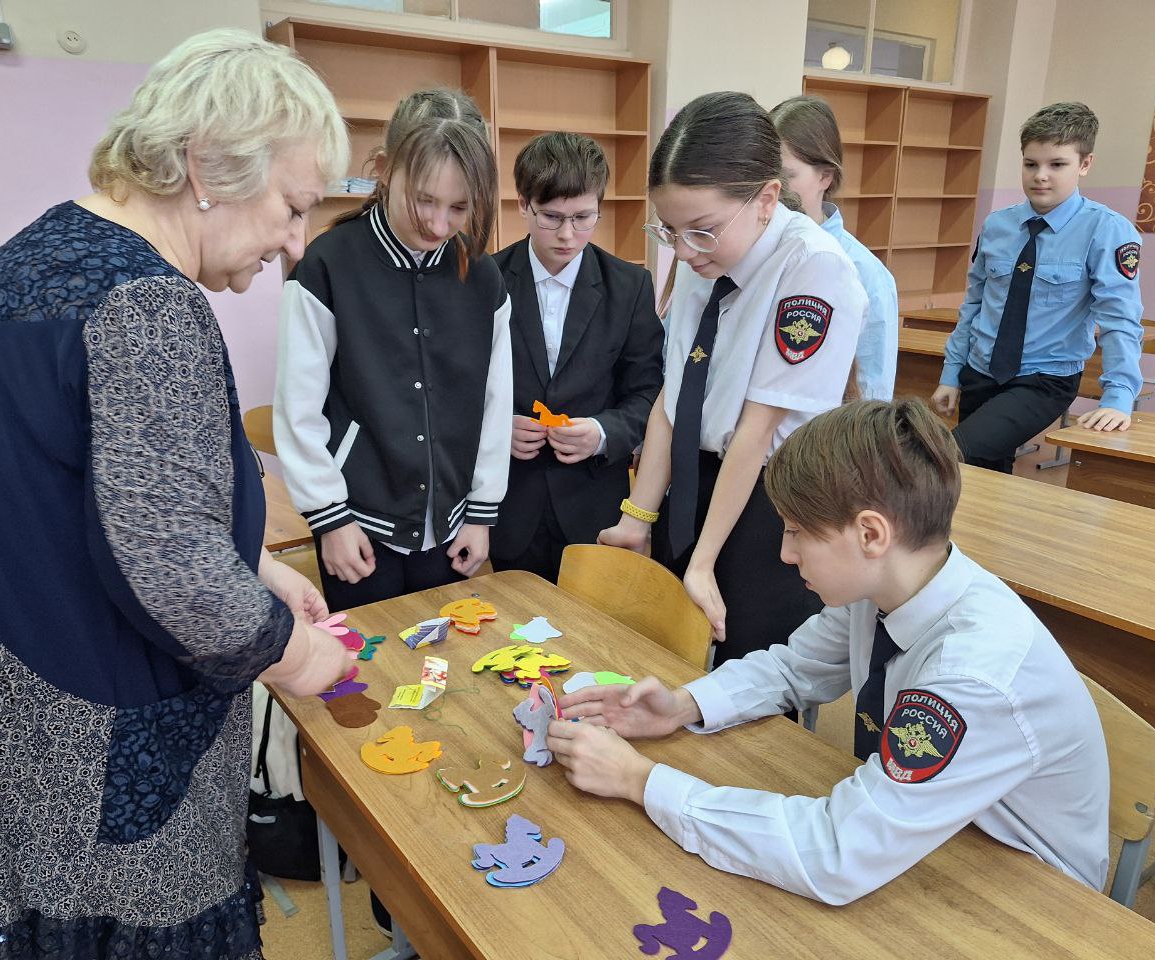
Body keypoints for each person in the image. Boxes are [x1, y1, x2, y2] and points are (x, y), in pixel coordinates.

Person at [0, 29, 357, 958]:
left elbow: (75, 511)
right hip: (91, 786)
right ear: (206, 165)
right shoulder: (147, 302)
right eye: (292, 207)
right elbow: (174, 572)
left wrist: (253, 566)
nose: (295, 243)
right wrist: (295, 653)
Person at [549, 399, 1110, 905]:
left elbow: (836, 852)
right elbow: (793, 668)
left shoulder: (972, 676)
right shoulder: (888, 587)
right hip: (930, 836)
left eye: (797, 531)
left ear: (871, 534)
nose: (785, 553)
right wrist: (681, 706)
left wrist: (641, 781)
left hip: (1028, 897)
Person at [598, 91, 866, 664]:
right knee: (668, 656)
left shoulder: (813, 267)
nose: (683, 250)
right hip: (694, 481)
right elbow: (675, 394)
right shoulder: (707, 253)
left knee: (749, 665)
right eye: (669, 230)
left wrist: (702, 561)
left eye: (701, 230)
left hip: (772, 501)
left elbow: (757, 429)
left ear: (766, 198)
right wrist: (637, 516)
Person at [274, 88, 511, 610]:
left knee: (449, 653)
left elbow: (495, 404)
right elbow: (297, 408)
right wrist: (329, 517)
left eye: (459, 207)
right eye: (424, 200)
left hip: (452, 526)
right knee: (367, 657)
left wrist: (481, 511)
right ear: (384, 169)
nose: (439, 225)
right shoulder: (327, 265)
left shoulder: (483, 277)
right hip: (356, 525)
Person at [933, 101, 1143, 472]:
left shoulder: (1106, 230)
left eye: (1056, 165)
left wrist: (1118, 396)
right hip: (981, 371)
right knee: (980, 477)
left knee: (949, 456)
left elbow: (1120, 319)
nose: (1040, 176)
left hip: (1044, 379)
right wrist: (951, 374)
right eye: (1031, 164)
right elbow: (975, 305)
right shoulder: (997, 225)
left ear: (1085, 164)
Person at [490, 132, 663, 582]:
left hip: (593, 506)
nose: (568, 235)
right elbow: (455, 389)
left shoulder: (629, 286)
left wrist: (603, 432)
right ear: (524, 205)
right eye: (552, 217)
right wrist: (495, 427)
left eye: (583, 218)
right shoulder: (485, 281)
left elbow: (649, 392)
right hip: (509, 506)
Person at [772, 94, 899, 401]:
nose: (772, 188)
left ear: (825, 176)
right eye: (764, 174)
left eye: (786, 176)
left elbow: (872, 397)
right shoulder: (752, 252)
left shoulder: (866, 273)